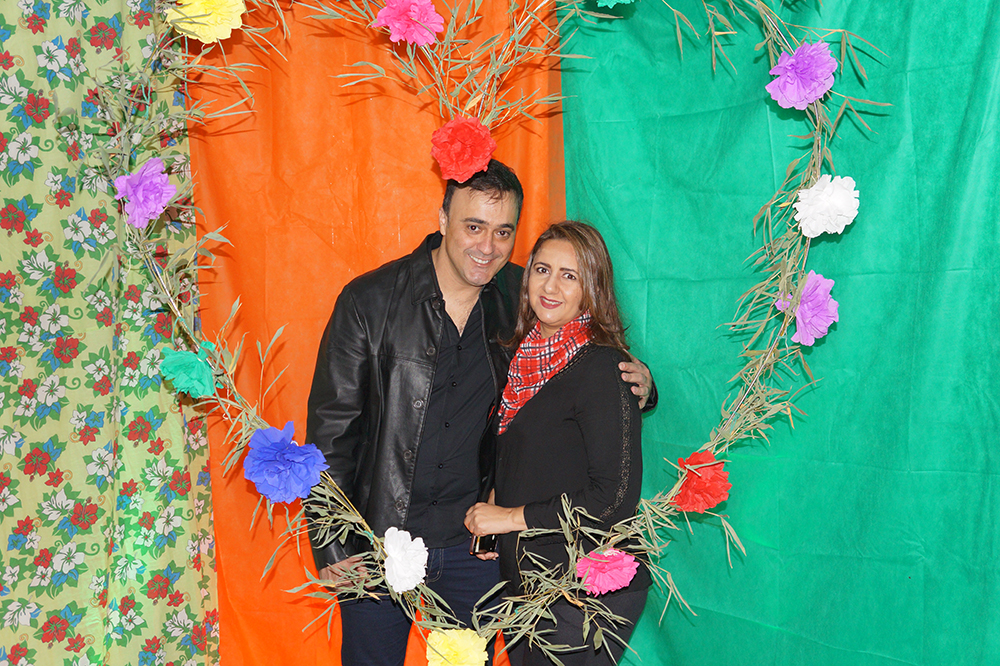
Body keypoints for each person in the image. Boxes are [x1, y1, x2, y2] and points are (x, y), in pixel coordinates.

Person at [305, 161, 655, 666]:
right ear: (443, 218)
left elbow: (578, 362)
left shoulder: (522, 295)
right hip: (378, 539)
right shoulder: (370, 301)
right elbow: (331, 431)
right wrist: (333, 544)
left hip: (475, 547)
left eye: (503, 232)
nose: (487, 246)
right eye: (474, 226)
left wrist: (640, 382)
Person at [464, 221, 650, 666]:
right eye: (542, 269)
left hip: (581, 589)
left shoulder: (604, 368)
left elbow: (614, 499)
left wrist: (508, 518)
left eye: (570, 276)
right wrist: (498, 503)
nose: (550, 286)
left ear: (592, 288)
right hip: (528, 583)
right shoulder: (522, 358)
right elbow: (537, 458)